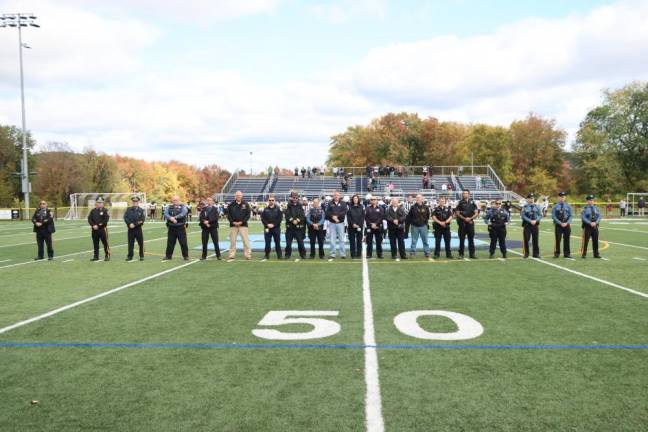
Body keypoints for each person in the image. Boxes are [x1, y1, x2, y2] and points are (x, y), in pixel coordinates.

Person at [226, 191, 252, 261]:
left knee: (245, 240)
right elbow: (228, 215)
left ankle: (247, 254)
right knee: (232, 241)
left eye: (239, 195)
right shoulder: (231, 204)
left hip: (243, 225)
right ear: (235, 196)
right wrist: (232, 222)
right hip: (233, 225)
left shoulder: (245, 204)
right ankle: (231, 255)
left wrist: (242, 222)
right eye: (237, 195)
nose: (238, 197)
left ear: (241, 196)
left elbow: (248, 215)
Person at [163, 195, 189, 261]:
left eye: (176, 200)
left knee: (183, 243)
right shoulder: (169, 207)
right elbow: (165, 214)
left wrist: (175, 217)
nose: (175, 201)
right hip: (171, 227)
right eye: (174, 200)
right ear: (172, 201)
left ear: (179, 200)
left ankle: (185, 256)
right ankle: (168, 256)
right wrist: (170, 218)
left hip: (180, 227)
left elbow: (184, 213)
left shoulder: (183, 207)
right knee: (170, 243)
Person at [455, 190, 479, 259]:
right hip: (462, 224)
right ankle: (461, 254)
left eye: (466, 193)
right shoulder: (460, 202)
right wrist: (464, 218)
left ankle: (472, 254)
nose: (465, 194)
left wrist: (470, 218)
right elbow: (457, 213)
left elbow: (476, 213)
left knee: (471, 239)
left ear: (469, 194)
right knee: (462, 240)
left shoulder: (472, 202)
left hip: (470, 223)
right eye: (464, 193)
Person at [407, 194, 431, 259]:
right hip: (414, 226)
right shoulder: (413, 207)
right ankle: (412, 253)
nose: (417, 199)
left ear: (422, 199)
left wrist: (425, 223)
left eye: (419, 198)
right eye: (417, 198)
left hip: (423, 226)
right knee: (414, 241)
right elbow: (409, 217)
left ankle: (427, 253)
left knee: (425, 241)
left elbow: (428, 216)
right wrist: (412, 223)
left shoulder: (426, 207)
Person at [325, 191, 348, 259]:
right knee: (332, 239)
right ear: (333, 196)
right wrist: (333, 217)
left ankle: (343, 254)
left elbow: (344, 211)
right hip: (332, 223)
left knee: (341, 239)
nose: (336, 196)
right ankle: (333, 254)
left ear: (339, 196)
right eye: (335, 195)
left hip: (340, 223)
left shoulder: (343, 203)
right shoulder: (330, 203)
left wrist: (337, 216)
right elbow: (327, 212)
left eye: (337, 195)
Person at [284, 191, 306, 260]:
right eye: (294, 197)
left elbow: (302, 215)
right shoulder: (288, 205)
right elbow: (287, 215)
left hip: (298, 228)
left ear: (298, 198)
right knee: (288, 243)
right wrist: (292, 220)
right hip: (290, 227)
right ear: (291, 198)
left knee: (300, 243)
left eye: (296, 197)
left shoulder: (300, 206)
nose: (295, 199)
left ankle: (303, 254)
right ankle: (287, 254)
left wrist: (297, 220)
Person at [88, 197, 111, 261]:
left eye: (100, 202)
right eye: (98, 202)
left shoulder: (105, 210)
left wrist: (98, 225)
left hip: (102, 229)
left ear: (103, 203)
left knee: (105, 243)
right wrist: (93, 225)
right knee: (95, 244)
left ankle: (107, 255)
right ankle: (96, 256)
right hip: (94, 230)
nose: (99, 204)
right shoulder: (93, 211)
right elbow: (89, 219)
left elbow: (106, 220)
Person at [124, 195, 146, 261]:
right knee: (130, 243)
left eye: (136, 201)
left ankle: (141, 256)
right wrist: (129, 224)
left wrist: (134, 224)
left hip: (138, 229)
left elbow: (142, 220)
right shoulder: (128, 209)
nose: (134, 203)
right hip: (130, 229)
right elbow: (125, 217)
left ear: (138, 202)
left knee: (140, 243)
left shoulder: (141, 210)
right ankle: (130, 256)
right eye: (133, 201)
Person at [199, 196, 221, 261]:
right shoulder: (204, 209)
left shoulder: (215, 209)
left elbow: (216, 218)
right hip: (205, 228)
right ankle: (204, 256)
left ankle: (218, 255)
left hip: (213, 227)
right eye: (208, 200)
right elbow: (201, 217)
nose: (209, 202)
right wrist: (204, 222)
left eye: (210, 200)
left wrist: (208, 222)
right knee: (204, 242)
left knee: (215, 242)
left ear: (212, 202)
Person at [261, 194, 283, 260]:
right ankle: (266, 255)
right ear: (268, 201)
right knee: (267, 242)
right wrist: (267, 224)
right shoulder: (265, 209)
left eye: (272, 200)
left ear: (274, 201)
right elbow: (263, 219)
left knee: (277, 242)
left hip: (276, 228)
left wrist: (274, 224)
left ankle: (279, 255)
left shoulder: (278, 209)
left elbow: (280, 218)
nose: (271, 201)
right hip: (267, 228)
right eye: (270, 200)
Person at [521, 193, 542, 258]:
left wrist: (536, 220)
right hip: (527, 225)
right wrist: (530, 221)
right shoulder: (524, 207)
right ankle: (526, 253)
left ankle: (536, 254)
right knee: (526, 239)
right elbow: (523, 216)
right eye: (530, 198)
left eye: (532, 198)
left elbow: (540, 215)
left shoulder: (537, 207)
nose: (531, 199)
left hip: (535, 225)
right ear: (527, 199)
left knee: (535, 239)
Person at [552, 192, 572, 258]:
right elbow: (553, 216)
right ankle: (557, 253)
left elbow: (571, 216)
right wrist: (560, 223)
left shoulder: (568, 206)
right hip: (558, 225)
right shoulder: (555, 206)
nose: (562, 198)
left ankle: (567, 253)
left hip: (566, 224)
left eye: (563, 197)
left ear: (565, 198)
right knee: (558, 239)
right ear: (558, 198)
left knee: (567, 239)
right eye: (561, 197)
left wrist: (567, 222)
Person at [365, 195, 384, 259]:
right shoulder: (367, 208)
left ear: (377, 200)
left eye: (374, 199)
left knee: (378, 241)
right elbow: (366, 218)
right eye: (372, 199)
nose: (373, 201)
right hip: (369, 227)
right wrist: (371, 224)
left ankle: (380, 254)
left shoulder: (380, 208)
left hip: (377, 227)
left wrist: (376, 224)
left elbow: (381, 217)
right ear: (370, 201)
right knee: (369, 241)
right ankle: (369, 254)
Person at [347, 194, 365, 259]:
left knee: (359, 240)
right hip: (351, 226)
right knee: (352, 241)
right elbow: (348, 217)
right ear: (352, 199)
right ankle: (353, 254)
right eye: (354, 198)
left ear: (358, 199)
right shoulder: (349, 207)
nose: (355, 199)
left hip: (359, 226)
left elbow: (363, 217)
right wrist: (353, 224)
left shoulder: (362, 207)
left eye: (356, 198)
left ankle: (359, 254)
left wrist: (358, 225)